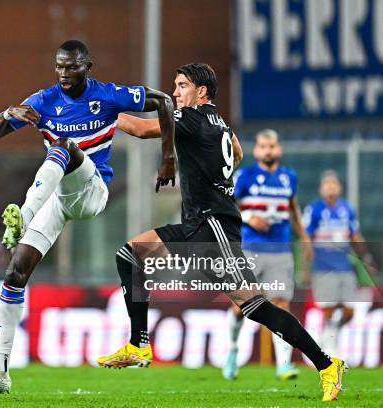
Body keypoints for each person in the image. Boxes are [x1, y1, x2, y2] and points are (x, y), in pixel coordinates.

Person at [96, 63, 346, 402]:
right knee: (130, 253)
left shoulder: (191, 118)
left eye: (181, 85)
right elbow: (238, 153)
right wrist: (214, 175)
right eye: (175, 85)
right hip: (198, 224)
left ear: (201, 92)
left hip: (213, 227)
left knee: (255, 306)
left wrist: (100, 110)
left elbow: (141, 130)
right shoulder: (221, 122)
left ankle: (326, 364)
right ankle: (139, 345)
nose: (174, 92)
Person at [0, 40, 177, 399]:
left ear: (88, 66)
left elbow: (165, 101)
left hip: (93, 191)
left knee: (63, 146)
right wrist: (8, 114)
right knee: (15, 273)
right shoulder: (43, 100)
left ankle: (23, 215)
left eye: (72, 67)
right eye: (60, 67)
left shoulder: (108, 96)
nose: (65, 74)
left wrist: (168, 155)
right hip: (58, 197)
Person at [223, 129, 312, 381]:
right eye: (263, 146)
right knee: (241, 307)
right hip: (250, 248)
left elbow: (293, 208)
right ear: (256, 150)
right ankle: (232, 350)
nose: (268, 150)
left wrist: (304, 237)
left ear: (279, 149)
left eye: (272, 146)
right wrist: (250, 217)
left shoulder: (288, 177)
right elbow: (227, 204)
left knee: (281, 304)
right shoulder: (246, 176)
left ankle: (283, 364)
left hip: (280, 249)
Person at [302, 171, 377, 357]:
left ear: (339, 187)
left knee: (350, 311)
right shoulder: (314, 209)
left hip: (345, 266)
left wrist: (366, 259)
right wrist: (304, 269)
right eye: (326, 184)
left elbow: (355, 236)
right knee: (328, 308)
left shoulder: (347, 209)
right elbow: (306, 239)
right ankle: (330, 348)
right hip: (323, 267)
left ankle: (329, 333)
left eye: (333, 184)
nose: (330, 187)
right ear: (321, 188)